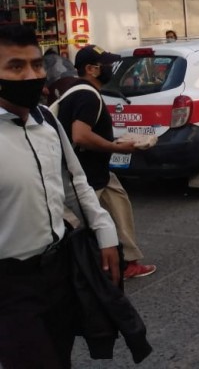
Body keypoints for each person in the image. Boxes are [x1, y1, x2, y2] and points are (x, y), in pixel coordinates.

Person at [0, 25, 120, 368]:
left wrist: (105, 231)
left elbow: (75, 182)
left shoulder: (47, 122)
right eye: (15, 67)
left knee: (61, 356)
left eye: (37, 65)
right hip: (10, 286)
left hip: (59, 270)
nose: (31, 75)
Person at [55, 44, 156, 280]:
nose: (112, 68)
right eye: (107, 65)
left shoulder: (76, 90)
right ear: (91, 69)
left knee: (119, 204)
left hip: (98, 169)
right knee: (76, 223)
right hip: (86, 174)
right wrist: (116, 147)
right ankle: (70, 272)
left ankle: (129, 261)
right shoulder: (88, 96)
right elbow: (81, 135)